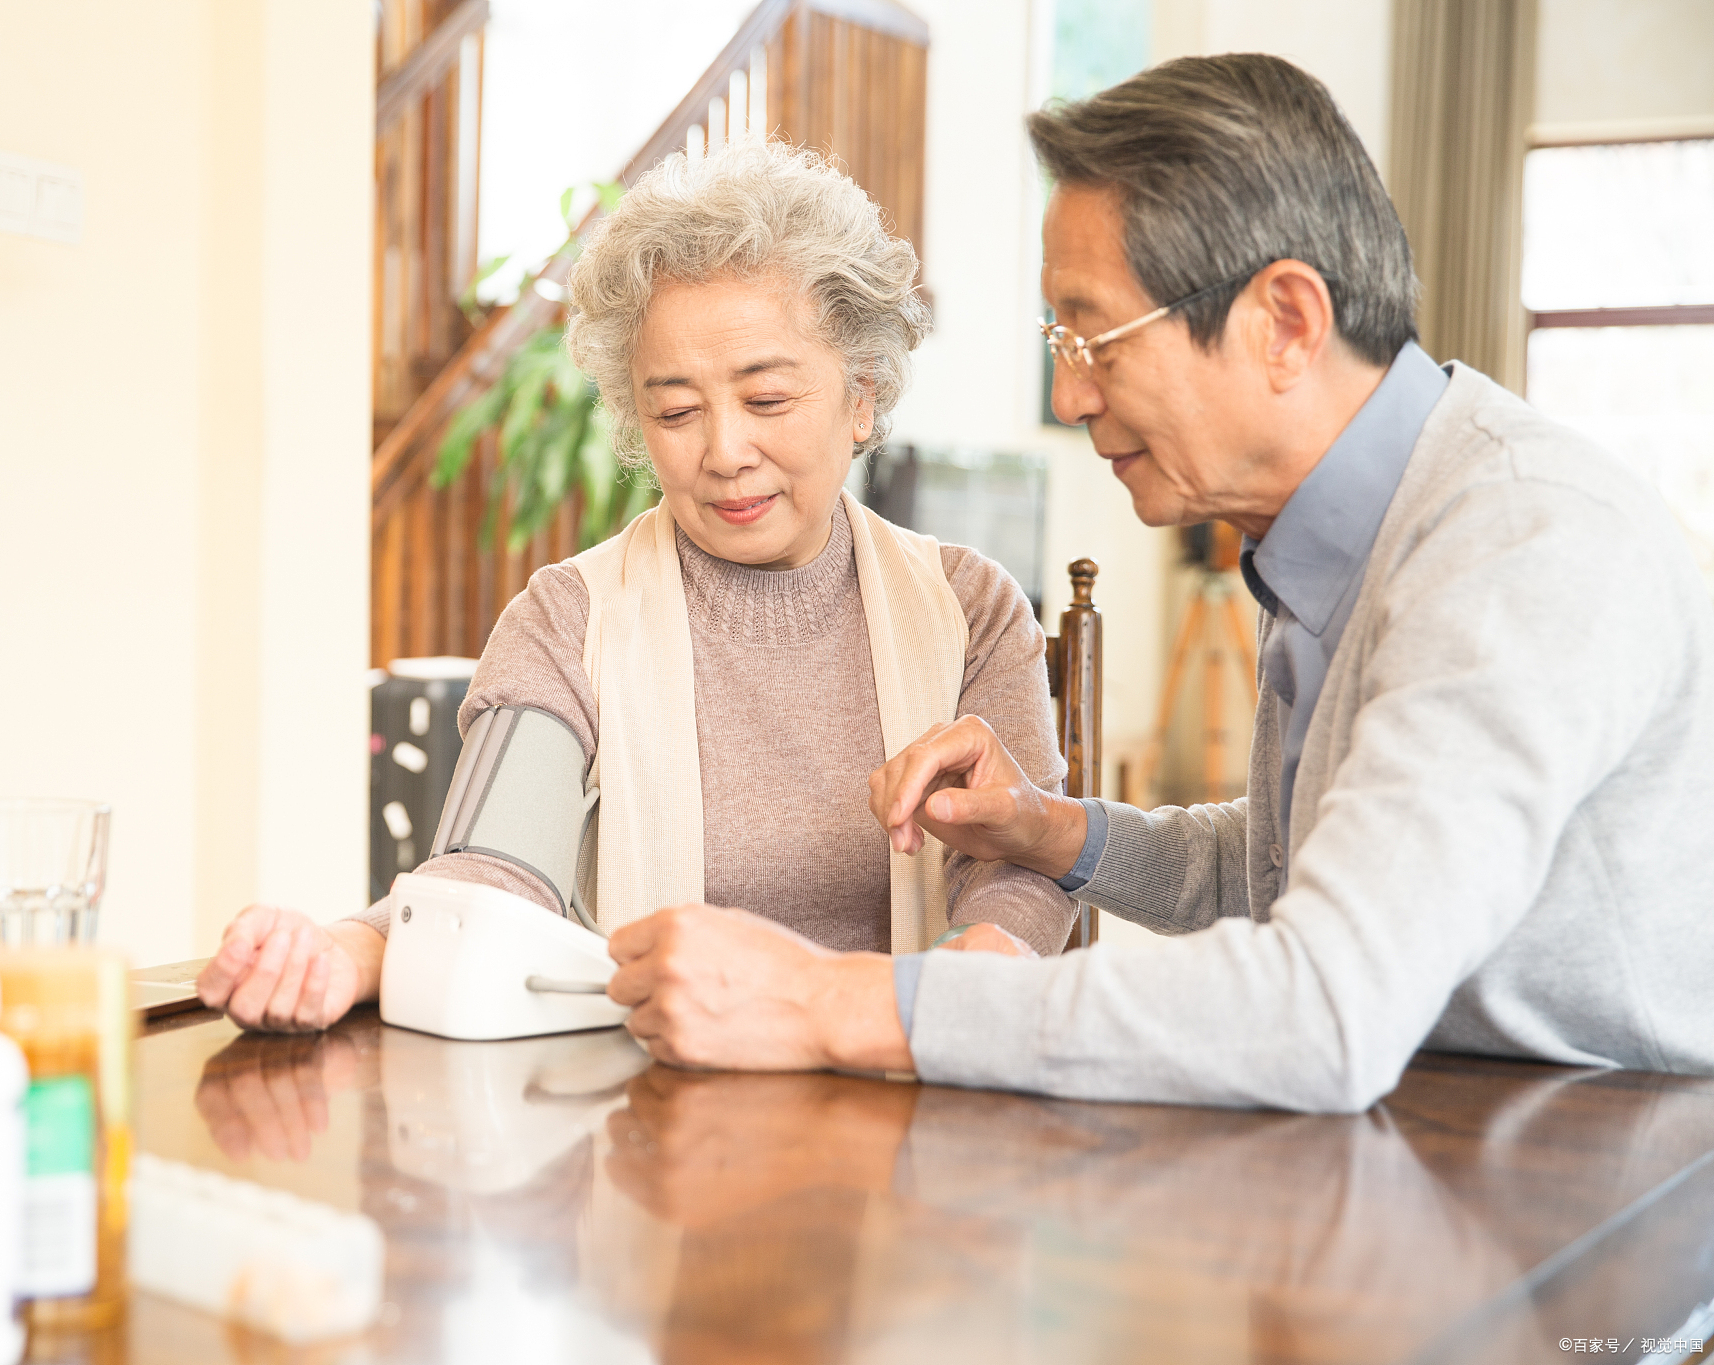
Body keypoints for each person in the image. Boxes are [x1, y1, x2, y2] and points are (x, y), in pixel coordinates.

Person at [607, 53, 1714, 1111]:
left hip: (1593, 1192)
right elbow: (1272, 873)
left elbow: (1324, 1006)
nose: (1070, 395)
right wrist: (1050, 830)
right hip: (1438, 1138)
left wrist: (820, 998)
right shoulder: (1335, 539)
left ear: (1283, 323)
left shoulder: (1522, 540)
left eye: (1092, 337)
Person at [197, 140, 1077, 1032]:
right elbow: (489, 874)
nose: (726, 451)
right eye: (677, 411)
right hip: (653, 1097)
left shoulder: (969, 607)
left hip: (907, 1073)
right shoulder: (568, 619)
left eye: (767, 399)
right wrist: (339, 951)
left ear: (863, 394)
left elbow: (1019, 866)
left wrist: (968, 982)